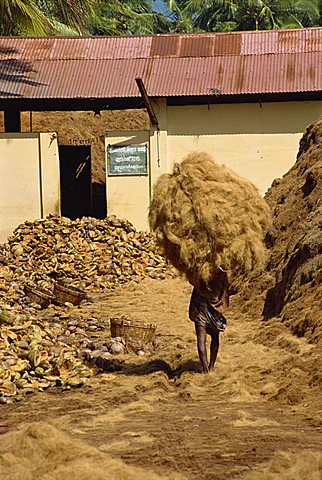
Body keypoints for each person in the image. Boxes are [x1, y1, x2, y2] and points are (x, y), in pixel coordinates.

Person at [189, 270, 229, 373]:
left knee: (201, 339)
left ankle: (205, 370)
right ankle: (211, 367)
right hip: (215, 309)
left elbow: (191, 280)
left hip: (199, 308)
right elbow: (229, 289)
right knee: (215, 337)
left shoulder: (201, 269)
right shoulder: (222, 272)